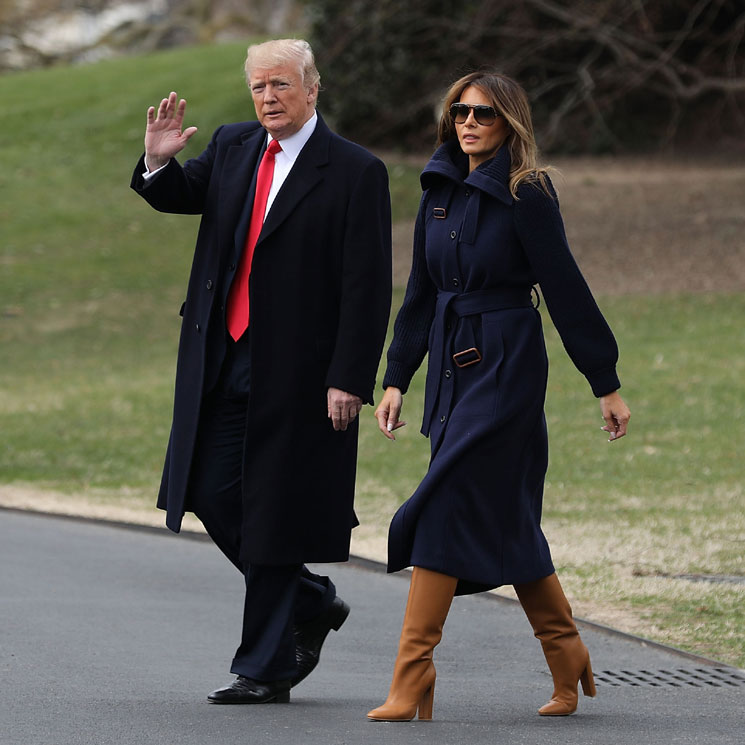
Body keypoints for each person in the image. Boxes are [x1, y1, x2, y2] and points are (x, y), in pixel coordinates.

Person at [130, 39, 391, 704]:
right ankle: (309, 597)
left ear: (312, 87)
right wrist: (159, 163)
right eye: (258, 87)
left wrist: (349, 377)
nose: (268, 97)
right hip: (224, 355)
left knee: (274, 508)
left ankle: (264, 665)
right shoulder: (234, 145)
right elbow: (183, 193)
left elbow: (367, 286)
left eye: (280, 84)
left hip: (301, 371)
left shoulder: (355, 171)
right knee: (212, 492)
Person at [367, 71, 630, 722]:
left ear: (508, 123)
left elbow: (564, 287)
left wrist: (605, 381)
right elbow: (419, 294)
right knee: (506, 515)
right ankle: (565, 654)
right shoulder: (436, 190)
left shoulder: (526, 191)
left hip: (507, 361)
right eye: (459, 111)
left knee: (442, 499)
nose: (468, 122)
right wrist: (397, 375)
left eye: (483, 114)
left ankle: (410, 675)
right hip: (451, 363)